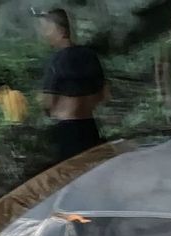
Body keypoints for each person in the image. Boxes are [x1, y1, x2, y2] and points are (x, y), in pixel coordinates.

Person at [37, 8, 110, 162]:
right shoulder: (90, 55)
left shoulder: (57, 61)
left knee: (73, 173)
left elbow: (48, 102)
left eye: (47, 29)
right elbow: (104, 94)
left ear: (60, 30)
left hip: (67, 132)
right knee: (94, 169)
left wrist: (44, 105)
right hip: (90, 127)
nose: (45, 34)